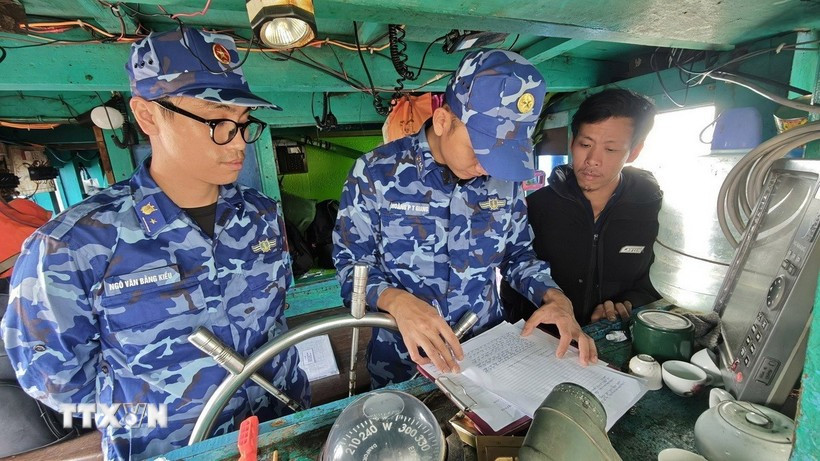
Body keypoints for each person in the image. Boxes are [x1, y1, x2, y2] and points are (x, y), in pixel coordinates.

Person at [1, 28, 309, 460]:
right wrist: (156, 411)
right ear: (147, 116)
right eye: (216, 122)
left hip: (284, 433)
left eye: (243, 123)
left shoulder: (260, 215)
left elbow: (275, 317)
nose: (238, 142)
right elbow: (52, 378)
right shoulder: (71, 244)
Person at [333, 49, 597, 389]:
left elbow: (517, 256)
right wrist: (395, 300)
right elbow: (351, 264)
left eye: (501, 155)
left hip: (486, 352)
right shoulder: (374, 173)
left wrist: (554, 297)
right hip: (403, 360)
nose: (488, 167)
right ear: (444, 121)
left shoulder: (505, 180)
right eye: (481, 150)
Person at [501, 88, 662, 327]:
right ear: (572, 141)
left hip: (612, 338)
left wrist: (629, 302)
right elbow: (512, 275)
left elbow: (657, 280)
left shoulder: (653, 211)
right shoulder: (535, 208)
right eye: (585, 144)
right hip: (540, 344)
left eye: (610, 149)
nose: (592, 160)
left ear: (634, 152)